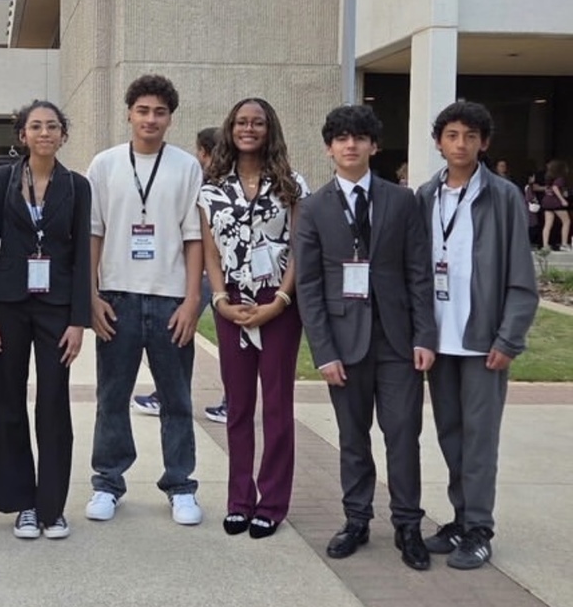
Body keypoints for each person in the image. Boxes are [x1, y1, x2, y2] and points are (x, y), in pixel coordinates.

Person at [294, 104, 436, 571]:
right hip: (344, 345)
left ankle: (408, 525)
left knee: (402, 436)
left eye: (359, 137)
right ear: (329, 148)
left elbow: (419, 272)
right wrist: (323, 352)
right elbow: (310, 287)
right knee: (353, 438)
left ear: (374, 145)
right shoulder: (313, 208)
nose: (350, 145)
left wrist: (424, 336)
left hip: (397, 343)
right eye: (341, 138)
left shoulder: (402, 200)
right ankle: (356, 520)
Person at [416, 102, 538, 569]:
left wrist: (509, 339)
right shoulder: (426, 196)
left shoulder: (503, 196)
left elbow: (521, 277)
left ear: (484, 143)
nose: (460, 144)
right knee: (450, 434)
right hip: (439, 340)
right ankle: (461, 518)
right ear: (439, 142)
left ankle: (480, 528)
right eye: (452, 135)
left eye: (470, 136)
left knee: (480, 437)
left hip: (483, 341)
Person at [85, 74, 204, 526]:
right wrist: (91, 295)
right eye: (143, 110)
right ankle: (108, 483)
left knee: (176, 399)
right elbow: (94, 233)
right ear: (129, 113)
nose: (150, 119)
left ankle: (180, 485)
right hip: (116, 297)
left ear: (170, 118)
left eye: (159, 112)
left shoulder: (186, 166)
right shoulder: (105, 164)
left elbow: (194, 238)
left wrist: (193, 299)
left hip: (170, 298)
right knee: (111, 397)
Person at [0, 100, 91, 540]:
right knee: (7, 401)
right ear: (22, 134)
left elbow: (82, 256)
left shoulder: (77, 186)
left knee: (54, 403)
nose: (44, 133)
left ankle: (52, 506)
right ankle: (21, 502)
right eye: (35, 126)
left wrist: (78, 320)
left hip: (57, 309)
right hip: (7, 304)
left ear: (63, 134)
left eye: (53, 126)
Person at [199, 99, 308, 539]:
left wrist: (280, 300)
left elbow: (300, 246)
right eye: (242, 122)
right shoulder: (212, 187)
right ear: (231, 128)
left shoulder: (291, 184)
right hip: (231, 304)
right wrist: (220, 299)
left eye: (257, 122)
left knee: (277, 407)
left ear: (270, 128)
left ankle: (273, 502)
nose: (249, 129)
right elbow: (209, 250)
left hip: (276, 303)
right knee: (238, 408)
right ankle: (239, 500)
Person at [132, 127, 229, 423]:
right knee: (211, 337)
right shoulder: (220, 183)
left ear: (204, 152)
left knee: (178, 332)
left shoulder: (205, 183)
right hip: (219, 272)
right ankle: (226, 400)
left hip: (208, 272)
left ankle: (171, 395)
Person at [540, 159, 570, 251]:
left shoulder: (548, 178)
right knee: (566, 221)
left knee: (548, 224)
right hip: (555, 202)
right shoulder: (560, 178)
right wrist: (562, 200)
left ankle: (545, 245)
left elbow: (550, 188)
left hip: (547, 202)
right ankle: (564, 244)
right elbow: (555, 187)